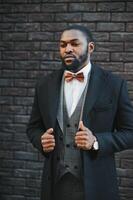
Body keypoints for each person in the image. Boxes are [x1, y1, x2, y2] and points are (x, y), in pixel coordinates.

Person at [27, 25, 133, 200]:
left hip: (97, 185)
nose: (67, 49)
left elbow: (130, 132)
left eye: (74, 44)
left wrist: (97, 141)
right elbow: (33, 127)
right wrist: (40, 140)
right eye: (63, 45)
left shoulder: (114, 84)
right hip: (55, 184)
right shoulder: (44, 85)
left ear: (90, 47)